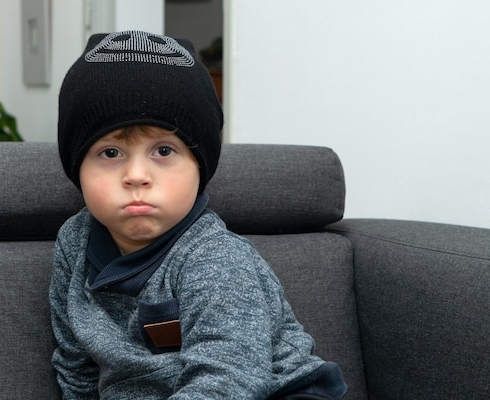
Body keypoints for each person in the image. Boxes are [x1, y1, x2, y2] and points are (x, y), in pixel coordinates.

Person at [50, 30, 347, 399]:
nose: (137, 176)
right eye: (110, 153)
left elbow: (228, 379)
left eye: (163, 151)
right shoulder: (73, 243)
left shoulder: (215, 257)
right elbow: (75, 363)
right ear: (77, 168)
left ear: (199, 166)